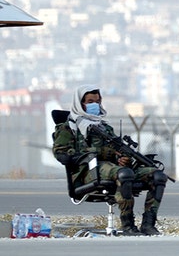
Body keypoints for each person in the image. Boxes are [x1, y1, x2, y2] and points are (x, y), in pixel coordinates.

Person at [52, 85, 168, 236]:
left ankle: (148, 225)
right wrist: (95, 153)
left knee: (157, 176)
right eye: (90, 101)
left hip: (112, 169)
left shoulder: (105, 127)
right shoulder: (69, 127)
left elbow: (115, 151)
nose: (95, 105)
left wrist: (121, 158)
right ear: (79, 103)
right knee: (124, 174)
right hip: (88, 171)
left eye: (97, 101)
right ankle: (128, 226)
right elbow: (61, 155)